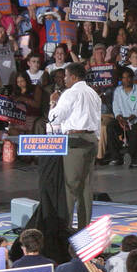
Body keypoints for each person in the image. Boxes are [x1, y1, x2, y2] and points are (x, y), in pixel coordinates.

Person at [49, 62, 102, 232]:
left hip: (75, 140)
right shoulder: (93, 93)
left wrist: (53, 103)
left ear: (73, 77)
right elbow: (98, 120)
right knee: (85, 186)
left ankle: (65, 227)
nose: (64, 80)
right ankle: (83, 228)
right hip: (92, 140)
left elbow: (55, 118)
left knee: (70, 185)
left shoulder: (70, 93)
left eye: (65, 76)